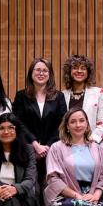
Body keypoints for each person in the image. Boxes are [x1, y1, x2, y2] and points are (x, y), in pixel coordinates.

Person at [12, 58, 67, 192]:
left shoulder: (58, 96)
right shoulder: (21, 96)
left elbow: (62, 123)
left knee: (49, 184)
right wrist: (35, 145)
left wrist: (47, 147)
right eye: (38, 70)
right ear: (31, 73)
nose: (41, 73)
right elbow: (18, 122)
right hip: (28, 147)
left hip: (52, 148)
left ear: (50, 75)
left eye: (45, 70)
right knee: (30, 184)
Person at [60, 55, 103, 146]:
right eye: (75, 68)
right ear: (69, 72)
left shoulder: (99, 93)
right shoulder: (62, 95)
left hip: (93, 144)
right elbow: (61, 124)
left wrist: (89, 140)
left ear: (88, 72)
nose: (79, 71)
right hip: (68, 145)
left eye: (83, 68)